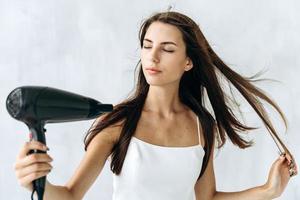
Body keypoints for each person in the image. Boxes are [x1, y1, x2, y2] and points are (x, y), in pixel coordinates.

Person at [14, 10, 298, 200]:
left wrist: (268, 190)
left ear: (188, 62)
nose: (153, 57)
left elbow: (207, 198)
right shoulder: (120, 123)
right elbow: (71, 195)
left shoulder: (202, 126)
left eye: (167, 49)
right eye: (147, 45)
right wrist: (38, 184)